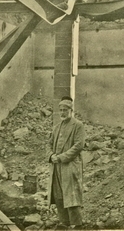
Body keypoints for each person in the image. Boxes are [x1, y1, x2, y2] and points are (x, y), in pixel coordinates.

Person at [47, 96, 85, 230]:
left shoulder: (78, 126)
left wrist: (61, 157)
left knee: (72, 194)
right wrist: (51, 156)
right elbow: (49, 144)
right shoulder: (56, 127)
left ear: (71, 110)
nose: (62, 112)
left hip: (70, 166)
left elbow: (79, 146)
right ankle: (64, 222)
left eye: (65, 110)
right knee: (58, 194)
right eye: (60, 110)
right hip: (56, 166)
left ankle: (77, 224)